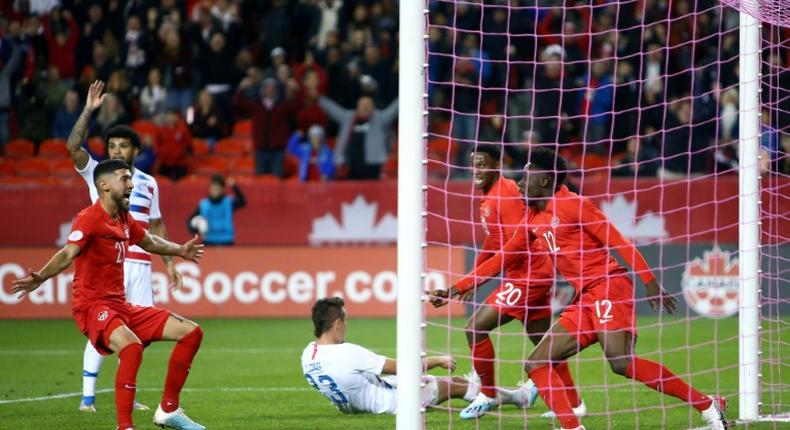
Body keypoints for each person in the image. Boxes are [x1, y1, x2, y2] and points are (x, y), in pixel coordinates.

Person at [437, 148, 730, 430]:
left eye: (527, 178)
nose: (521, 184)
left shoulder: (574, 205)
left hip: (608, 287)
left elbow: (619, 241)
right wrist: (456, 288)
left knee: (620, 362)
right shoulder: (532, 218)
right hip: (584, 297)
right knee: (536, 362)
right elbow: (502, 257)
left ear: (545, 180)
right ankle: (572, 426)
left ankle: (707, 405)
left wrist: (649, 281)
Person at [12, 159, 206, 430]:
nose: (131, 184)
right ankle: (124, 426)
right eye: (124, 179)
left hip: (120, 305)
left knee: (191, 333)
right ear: (103, 185)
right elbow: (68, 252)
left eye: (131, 178)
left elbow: (148, 240)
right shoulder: (89, 218)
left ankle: (168, 411)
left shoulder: (124, 218)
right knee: (131, 347)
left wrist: (179, 251)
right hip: (92, 306)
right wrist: (41, 277)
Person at [431, 145, 582, 420]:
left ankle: (487, 394)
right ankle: (574, 402)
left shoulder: (506, 195)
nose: (477, 169)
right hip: (530, 274)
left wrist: (464, 285)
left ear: (497, 165)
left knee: (475, 328)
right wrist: (473, 279)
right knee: (544, 344)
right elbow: (494, 240)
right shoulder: (491, 196)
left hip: (529, 275)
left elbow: (515, 246)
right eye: (473, 163)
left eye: (483, 164)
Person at [65, 80, 182, 413]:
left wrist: (170, 264)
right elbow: (74, 147)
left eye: (123, 146)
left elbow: (155, 225)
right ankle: (87, 398)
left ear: (135, 151)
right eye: (112, 145)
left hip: (141, 265)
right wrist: (88, 109)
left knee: (138, 335)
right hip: (107, 265)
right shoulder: (98, 175)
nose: (116, 151)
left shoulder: (149, 183)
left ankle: (125, 392)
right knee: (103, 331)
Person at [302, 297, 536, 415]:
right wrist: (438, 360)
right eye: (346, 322)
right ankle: (521, 398)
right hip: (394, 402)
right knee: (454, 384)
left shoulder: (308, 355)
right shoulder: (347, 353)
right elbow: (403, 367)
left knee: (455, 385)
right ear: (337, 323)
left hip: (364, 399)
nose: (347, 327)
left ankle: (478, 389)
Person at [319, 95, 398, 180]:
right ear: (358, 107)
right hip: (350, 166)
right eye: (363, 105)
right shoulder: (348, 118)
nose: (365, 107)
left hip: (374, 166)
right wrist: (319, 98)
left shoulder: (380, 119)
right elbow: (332, 109)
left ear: (373, 107)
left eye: (368, 105)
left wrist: (408, 91)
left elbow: (394, 109)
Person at [187, 175, 246, 246]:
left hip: (226, 241)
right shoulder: (203, 204)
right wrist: (197, 229)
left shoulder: (228, 202)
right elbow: (190, 221)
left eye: (217, 187)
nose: (215, 189)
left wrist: (234, 187)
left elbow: (243, 202)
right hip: (208, 241)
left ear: (223, 189)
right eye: (213, 187)